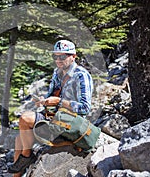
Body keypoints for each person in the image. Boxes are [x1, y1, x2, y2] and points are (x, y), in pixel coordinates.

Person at [7, 40, 93, 176]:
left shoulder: (81, 75)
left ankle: (27, 157)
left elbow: (85, 107)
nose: (58, 60)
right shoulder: (56, 72)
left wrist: (59, 101)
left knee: (24, 119)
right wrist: (44, 102)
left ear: (73, 56)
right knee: (19, 139)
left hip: (69, 122)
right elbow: (51, 96)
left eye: (62, 57)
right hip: (55, 117)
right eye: (55, 56)